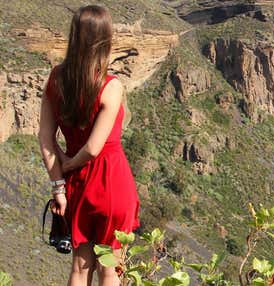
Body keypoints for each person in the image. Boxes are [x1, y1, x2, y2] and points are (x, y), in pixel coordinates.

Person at [37, 5, 140, 286]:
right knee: (110, 269)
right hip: (111, 182)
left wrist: (59, 182)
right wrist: (70, 162)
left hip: (78, 185)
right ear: (105, 40)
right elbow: (94, 149)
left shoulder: (56, 79)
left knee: (81, 269)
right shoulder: (110, 86)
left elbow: (45, 138)